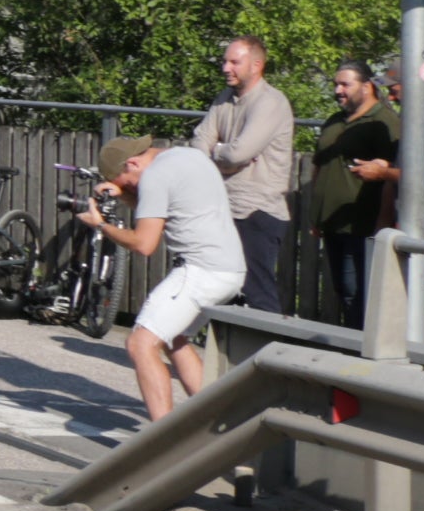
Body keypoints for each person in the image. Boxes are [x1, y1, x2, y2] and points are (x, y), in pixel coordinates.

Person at [88, 134, 247, 422]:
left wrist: (101, 225)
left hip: (201, 270)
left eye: (127, 182)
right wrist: (123, 193)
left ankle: (161, 440)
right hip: (230, 269)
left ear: (133, 163)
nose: (131, 188)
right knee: (175, 339)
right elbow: (160, 207)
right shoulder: (188, 157)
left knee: (141, 344)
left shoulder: (155, 177)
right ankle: (219, 423)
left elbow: (143, 244)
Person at [188, 36, 293, 313]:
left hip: (257, 211)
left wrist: (219, 151)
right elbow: (200, 142)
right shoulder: (224, 99)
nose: (225, 67)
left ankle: (267, 354)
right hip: (224, 207)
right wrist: (225, 152)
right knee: (223, 290)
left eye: (234, 61)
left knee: (257, 293)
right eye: (225, 61)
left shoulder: (271, 102)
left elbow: (239, 154)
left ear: (257, 65)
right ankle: (226, 356)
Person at [318, 60, 398, 332]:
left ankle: (359, 352)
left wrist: (384, 219)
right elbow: (320, 167)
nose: (338, 90)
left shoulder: (383, 121)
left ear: (366, 87)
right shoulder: (334, 121)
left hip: (360, 223)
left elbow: (393, 170)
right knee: (342, 289)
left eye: (345, 84)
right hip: (331, 223)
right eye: (336, 84)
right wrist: (316, 216)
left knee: (358, 292)